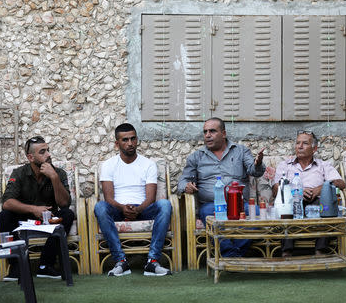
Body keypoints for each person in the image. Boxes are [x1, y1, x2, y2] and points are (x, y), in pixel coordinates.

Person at [177, 117, 265, 257]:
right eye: (205, 132)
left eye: (212, 131)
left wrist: (258, 163)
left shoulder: (241, 151)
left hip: (240, 204)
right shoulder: (196, 157)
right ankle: (231, 254)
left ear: (223, 134)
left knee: (260, 213)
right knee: (208, 216)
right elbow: (182, 181)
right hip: (212, 205)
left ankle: (233, 253)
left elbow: (255, 171)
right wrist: (186, 186)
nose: (207, 135)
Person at [94, 123, 172, 277]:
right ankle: (121, 261)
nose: (130, 143)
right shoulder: (109, 165)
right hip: (117, 208)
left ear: (137, 140)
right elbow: (109, 198)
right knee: (100, 207)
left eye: (133, 139)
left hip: (143, 208)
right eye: (125, 140)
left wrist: (138, 210)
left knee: (165, 204)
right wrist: (123, 208)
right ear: (117, 144)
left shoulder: (148, 164)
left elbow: (150, 198)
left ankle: (152, 262)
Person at [0, 136, 74, 281]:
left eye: (48, 150)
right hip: (25, 217)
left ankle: (45, 265)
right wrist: (34, 209)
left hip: (49, 218)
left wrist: (54, 178)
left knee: (67, 214)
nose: (48, 155)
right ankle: (17, 267)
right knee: (4, 215)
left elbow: (64, 203)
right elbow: (7, 202)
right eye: (43, 152)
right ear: (30, 157)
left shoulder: (58, 173)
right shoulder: (19, 173)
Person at [272, 130, 345, 257]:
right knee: (287, 207)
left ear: (314, 148)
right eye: (297, 143)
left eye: (305, 143)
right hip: (292, 201)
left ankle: (320, 250)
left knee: (326, 206)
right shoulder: (285, 165)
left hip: (316, 201)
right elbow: (275, 188)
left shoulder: (323, 165)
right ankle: (287, 251)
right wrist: (296, 191)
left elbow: (340, 183)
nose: (299, 146)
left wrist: (320, 188)